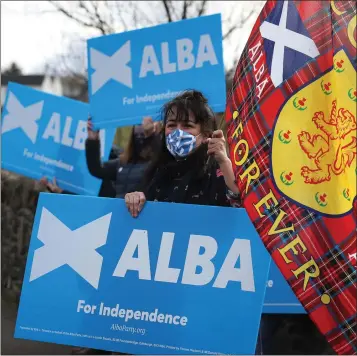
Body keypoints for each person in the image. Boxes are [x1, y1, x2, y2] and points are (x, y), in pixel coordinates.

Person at [124, 89, 240, 217]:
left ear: (205, 134)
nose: (177, 132)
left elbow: (239, 206)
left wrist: (224, 162)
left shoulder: (216, 170)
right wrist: (135, 197)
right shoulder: (156, 172)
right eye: (172, 125)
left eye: (187, 126)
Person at [85, 117, 161, 198]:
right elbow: (97, 169)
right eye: (138, 124)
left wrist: (151, 136)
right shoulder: (123, 163)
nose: (141, 127)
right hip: (119, 209)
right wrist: (92, 139)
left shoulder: (158, 164)